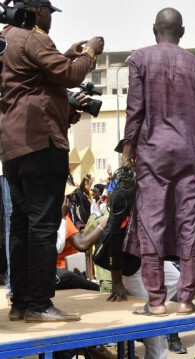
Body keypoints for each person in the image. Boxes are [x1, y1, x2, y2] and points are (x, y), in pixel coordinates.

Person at [0, 0, 104, 322]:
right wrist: (90, 53)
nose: (50, 18)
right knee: (44, 226)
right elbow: (70, 76)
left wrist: (68, 53)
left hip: (12, 146)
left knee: (20, 225)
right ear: (36, 10)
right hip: (41, 142)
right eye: (48, 12)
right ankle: (40, 304)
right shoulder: (35, 37)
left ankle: (20, 301)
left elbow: (33, 75)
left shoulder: (5, 39)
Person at [119, 7, 195, 316]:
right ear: (182, 32)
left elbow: (136, 109)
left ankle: (156, 302)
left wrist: (128, 151)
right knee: (190, 222)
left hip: (153, 152)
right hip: (190, 151)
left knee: (151, 223)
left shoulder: (140, 59)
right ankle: (185, 299)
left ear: (154, 29)